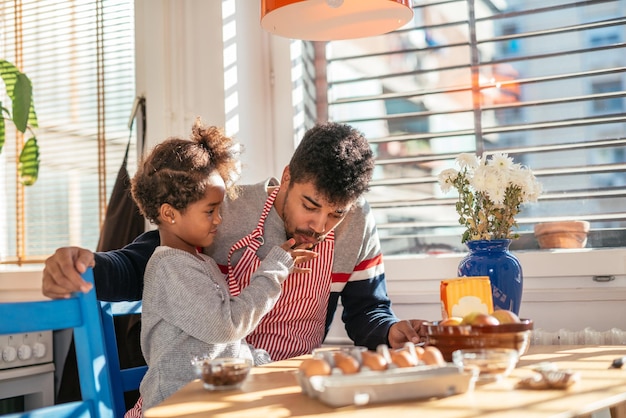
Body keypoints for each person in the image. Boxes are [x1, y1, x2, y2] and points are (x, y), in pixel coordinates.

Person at [42, 121, 427, 362]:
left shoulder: (358, 224)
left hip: (289, 384)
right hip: (218, 382)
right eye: (311, 205)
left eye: (335, 214)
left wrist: (391, 331)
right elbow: (150, 261)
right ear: (288, 176)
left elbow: (367, 313)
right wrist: (90, 266)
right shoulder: (229, 210)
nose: (320, 225)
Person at [127, 119, 316, 412]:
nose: (219, 219)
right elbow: (226, 326)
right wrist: (273, 270)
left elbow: (225, 345)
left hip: (212, 400)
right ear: (170, 213)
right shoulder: (169, 268)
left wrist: (264, 365)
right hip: (176, 405)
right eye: (210, 210)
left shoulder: (199, 263)